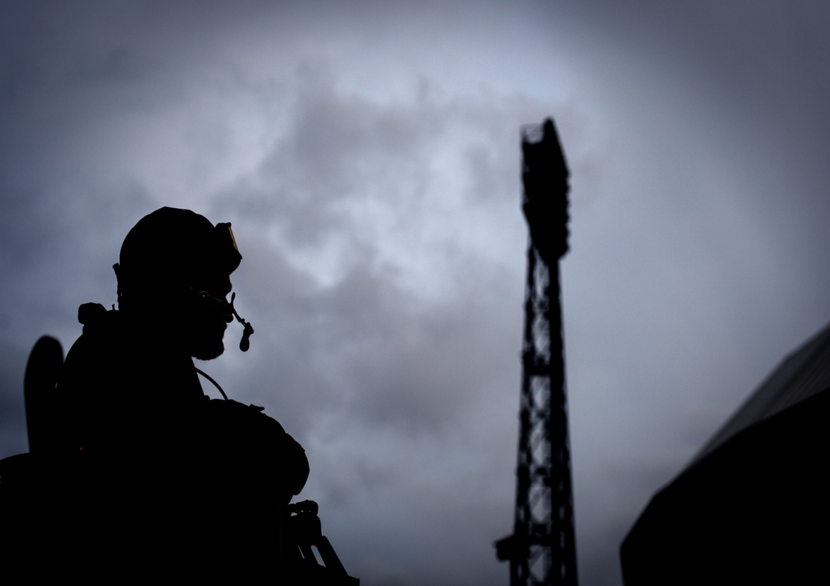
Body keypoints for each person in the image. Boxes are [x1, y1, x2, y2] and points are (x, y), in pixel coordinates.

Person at [5, 207, 308, 581]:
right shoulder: (117, 358)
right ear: (178, 284)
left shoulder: (140, 359)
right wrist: (245, 429)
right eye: (218, 291)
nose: (230, 314)